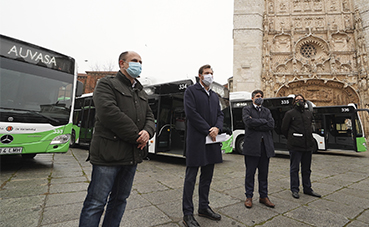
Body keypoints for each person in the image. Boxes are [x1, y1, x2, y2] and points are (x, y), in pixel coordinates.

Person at [79, 51, 155, 227]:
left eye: (141, 62)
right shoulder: (107, 84)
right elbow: (108, 113)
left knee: (120, 200)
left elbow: (150, 117)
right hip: (108, 155)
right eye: (134, 61)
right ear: (122, 63)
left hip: (131, 157)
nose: (139, 64)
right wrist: (138, 136)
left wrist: (148, 132)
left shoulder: (141, 91)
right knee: (96, 203)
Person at [182, 64, 224, 227]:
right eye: (207, 73)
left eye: (212, 73)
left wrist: (217, 128)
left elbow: (220, 114)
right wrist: (208, 129)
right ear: (200, 76)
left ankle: (203, 207)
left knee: (207, 177)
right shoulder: (191, 91)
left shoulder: (214, 96)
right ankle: (187, 214)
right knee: (190, 178)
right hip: (197, 141)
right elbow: (191, 113)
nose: (210, 76)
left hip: (212, 142)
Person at [281, 94, 321, 199]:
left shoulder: (308, 113)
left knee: (307, 169)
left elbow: (310, 128)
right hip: (295, 146)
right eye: (297, 100)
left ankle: (307, 188)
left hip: (308, 145)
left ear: (305, 101)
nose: (299, 101)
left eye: (301, 99)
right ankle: (295, 189)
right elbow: (284, 129)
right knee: (294, 169)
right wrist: (292, 138)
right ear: (294, 102)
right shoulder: (290, 114)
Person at [242, 90, 275, 209]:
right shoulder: (247, 109)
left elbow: (271, 124)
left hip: (265, 147)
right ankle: (249, 197)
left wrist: (258, 123)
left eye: (261, 96)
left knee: (264, 174)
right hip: (252, 147)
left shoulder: (267, 111)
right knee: (250, 173)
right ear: (252, 98)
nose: (259, 98)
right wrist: (263, 122)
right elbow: (248, 122)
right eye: (257, 96)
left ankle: (263, 196)